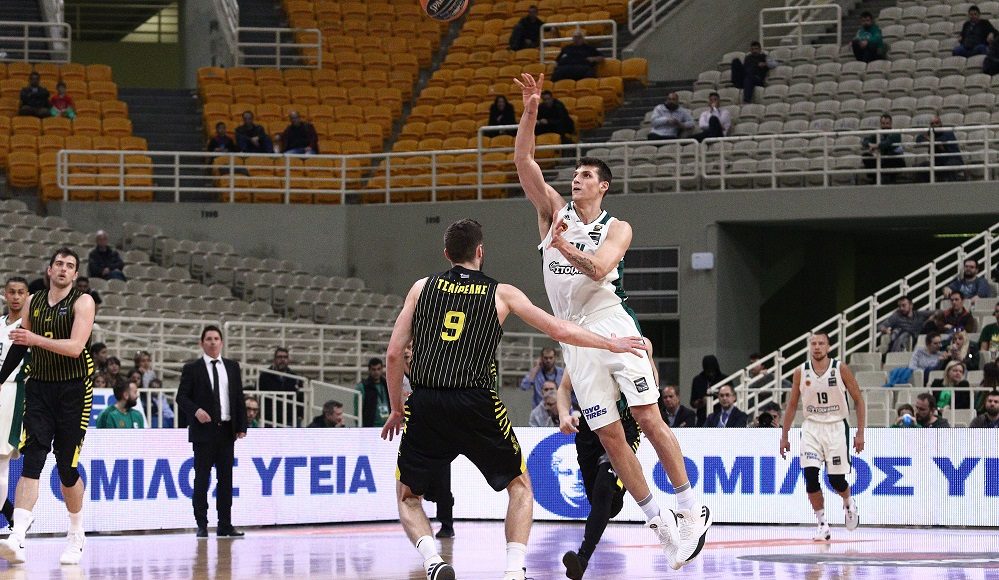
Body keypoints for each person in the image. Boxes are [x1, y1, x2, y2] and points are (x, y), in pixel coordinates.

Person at [514, 72, 712, 570]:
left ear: (602, 186)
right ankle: (661, 525)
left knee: (647, 417)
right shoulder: (552, 211)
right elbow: (524, 162)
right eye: (575, 173)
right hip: (574, 336)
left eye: (586, 175)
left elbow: (601, 268)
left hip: (612, 322)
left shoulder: (617, 226)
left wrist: (561, 246)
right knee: (609, 436)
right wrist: (531, 110)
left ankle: (691, 508)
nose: (576, 179)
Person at [379, 218, 647, 580]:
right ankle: (513, 571)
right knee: (519, 488)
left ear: (446, 254)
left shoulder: (420, 288)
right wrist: (609, 343)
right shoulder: (501, 293)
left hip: (426, 402)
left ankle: (433, 562)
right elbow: (558, 329)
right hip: (477, 402)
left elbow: (394, 354)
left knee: (407, 496)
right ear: (480, 252)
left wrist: (397, 408)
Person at [0, 248, 97, 566]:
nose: (63, 269)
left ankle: (76, 533)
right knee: (32, 460)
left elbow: (75, 347)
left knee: (67, 468)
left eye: (70, 266)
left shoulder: (83, 302)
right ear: (49, 269)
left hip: (74, 389)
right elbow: (20, 344)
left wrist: (35, 339)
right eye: (59, 264)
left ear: (75, 274)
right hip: (40, 386)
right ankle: (17, 535)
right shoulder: (34, 301)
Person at [556, 368, 643, 580]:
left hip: (624, 428)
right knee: (600, 501)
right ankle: (614, 496)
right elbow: (564, 388)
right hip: (589, 428)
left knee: (604, 487)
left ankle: (582, 558)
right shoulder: (579, 353)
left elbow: (651, 384)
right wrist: (564, 414)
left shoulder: (637, 351)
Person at [780, 332, 865, 542]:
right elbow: (792, 405)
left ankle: (848, 502)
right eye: (814, 343)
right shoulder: (801, 371)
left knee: (836, 479)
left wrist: (860, 433)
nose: (817, 347)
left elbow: (858, 400)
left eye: (821, 343)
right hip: (811, 427)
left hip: (836, 427)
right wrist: (784, 436)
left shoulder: (840, 368)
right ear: (810, 347)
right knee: (810, 475)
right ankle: (822, 524)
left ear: (828, 347)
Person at [175, 325, 247, 539]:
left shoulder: (232, 367)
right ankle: (202, 524)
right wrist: (196, 411)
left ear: (222, 342)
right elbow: (181, 397)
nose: (213, 342)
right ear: (202, 343)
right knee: (201, 479)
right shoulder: (193, 368)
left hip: (226, 431)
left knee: (226, 480)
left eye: (216, 338)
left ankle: (225, 524)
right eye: (208, 338)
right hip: (203, 432)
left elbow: (238, 397)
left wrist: (241, 425)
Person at [0, 277, 30, 530]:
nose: (16, 297)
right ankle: (10, 515)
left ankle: (11, 518)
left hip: (11, 392)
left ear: (27, 296)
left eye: (21, 292)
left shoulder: (29, 328)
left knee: (1, 462)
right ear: (5, 294)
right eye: (12, 292)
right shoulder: (0, 323)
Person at [258, 347, 303, 426]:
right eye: (280, 357)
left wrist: (300, 415)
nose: (282, 360)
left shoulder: (295, 377)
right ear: (274, 359)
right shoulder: (265, 376)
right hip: (270, 420)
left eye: (285, 357)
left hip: (290, 419)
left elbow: (300, 398)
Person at [915, 117, 963, 182]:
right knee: (922, 167)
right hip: (938, 162)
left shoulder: (948, 133)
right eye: (932, 124)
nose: (934, 125)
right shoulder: (931, 133)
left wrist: (930, 139)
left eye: (937, 123)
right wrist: (930, 139)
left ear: (941, 124)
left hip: (953, 159)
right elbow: (918, 139)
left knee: (948, 167)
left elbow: (940, 141)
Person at [861, 113, 905, 184]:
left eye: (887, 123)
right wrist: (870, 144)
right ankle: (875, 179)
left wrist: (875, 146)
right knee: (866, 156)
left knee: (891, 156)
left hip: (895, 160)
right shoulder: (878, 134)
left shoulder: (896, 133)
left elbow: (887, 143)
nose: (885, 126)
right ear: (880, 124)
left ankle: (889, 179)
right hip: (882, 160)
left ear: (891, 124)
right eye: (883, 123)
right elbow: (865, 141)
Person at [690, 354, 724, 426]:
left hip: (721, 416)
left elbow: (731, 398)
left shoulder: (724, 379)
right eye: (708, 371)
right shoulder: (697, 380)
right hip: (702, 417)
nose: (710, 373)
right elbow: (692, 402)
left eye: (712, 371)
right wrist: (701, 401)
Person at [355, 357, 389, 427]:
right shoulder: (363, 386)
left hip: (388, 425)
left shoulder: (387, 384)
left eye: (378, 369)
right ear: (369, 370)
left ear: (382, 369)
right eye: (373, 369)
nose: (376, 372)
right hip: (371, 426)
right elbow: (357, 410)